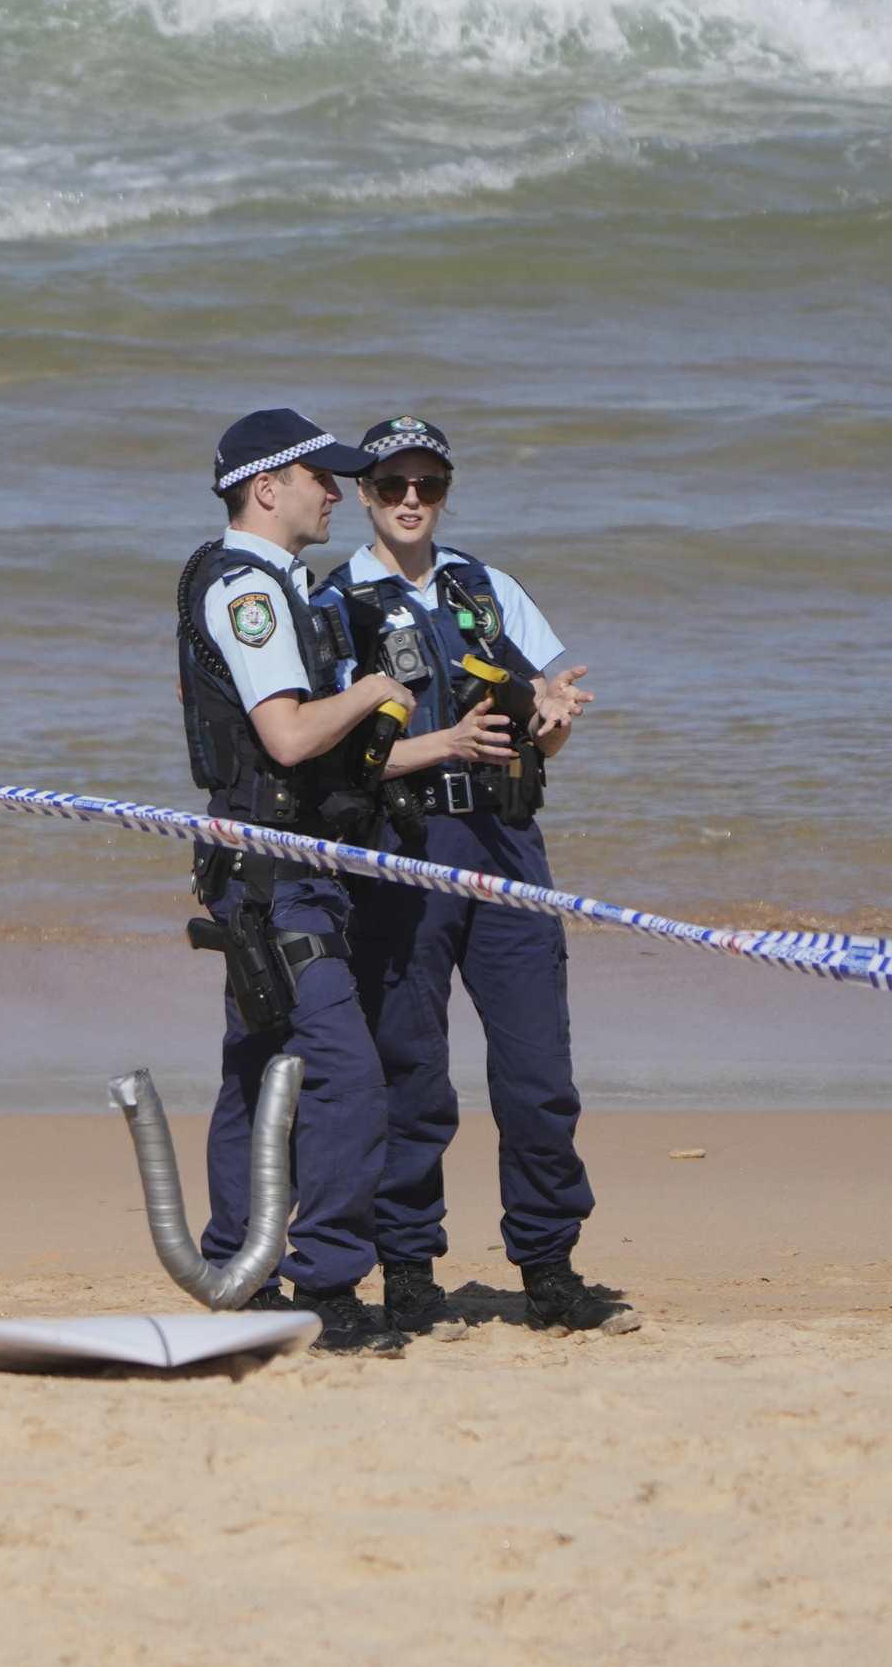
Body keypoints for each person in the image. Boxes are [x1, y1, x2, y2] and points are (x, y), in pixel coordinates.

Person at [174, 410, 508, 1352]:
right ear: (267, 487)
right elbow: (284, 736)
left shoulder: (256, 581)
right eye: (323, 478)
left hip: (277, 868)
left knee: (257, 1070)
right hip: (277, 876)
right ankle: (322, 1283)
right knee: (349, 1080)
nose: (337, 492)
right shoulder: (250, 591)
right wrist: (374, 691)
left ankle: (238, 1272)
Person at [316, 417, 623, 1335]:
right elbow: (326, 759)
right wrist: (436, 745)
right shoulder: (335, 605)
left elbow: (547, 720)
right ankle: (408, 1269)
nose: (412, 499)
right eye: (393, 483)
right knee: (410, 1070)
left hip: (506, 842)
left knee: (538, 1070)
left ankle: (550, 1267)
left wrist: (557, 715)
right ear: (365, 494)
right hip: (402, 849)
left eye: (429, 483)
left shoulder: (486, 588)